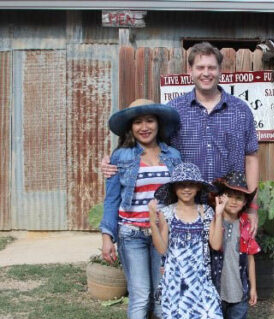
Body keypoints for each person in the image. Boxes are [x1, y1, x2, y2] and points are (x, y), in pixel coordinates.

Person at [103, 41, 260, 234]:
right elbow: (151, 147)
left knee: (232, 263)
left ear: (220, 70)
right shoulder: (175, 112)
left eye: (211, 67)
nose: (206, 73)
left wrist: (252, 209)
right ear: (190, 71)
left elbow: (251, 159)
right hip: (187, 212)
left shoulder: (241, 111)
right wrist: (112, 162)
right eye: (200, 67)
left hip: (230, 209)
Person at [99, 98, 182, 319]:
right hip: (132, 234)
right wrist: (107, 236)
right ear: (130, 127)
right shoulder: (121, 157)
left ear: (158, 124)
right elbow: (112, 198)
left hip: (163, 234)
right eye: (137, 122)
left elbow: (181, 195)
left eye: (149, 120)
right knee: (140, 292)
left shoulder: (173, 155)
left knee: (161, 290)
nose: (144, 127)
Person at [149, 162, 224, 319]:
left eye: (191, 184)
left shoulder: (206, 211)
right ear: (174, 188)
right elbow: (161, 248)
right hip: (175, 282)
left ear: (198, 187)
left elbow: (216, 243)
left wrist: (218, 215)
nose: (186, 189)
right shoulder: (167, 213)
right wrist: (152, 221)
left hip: (201, 280)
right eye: (182, 185)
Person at [210, 171, 261, 319]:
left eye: (239, 198)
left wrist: (253, 287)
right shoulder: (213, 221)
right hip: (215, 291)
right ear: (220, 198)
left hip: (239, 292)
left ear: (245, 201)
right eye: (229, 196)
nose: (233, 201)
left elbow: (250, 259)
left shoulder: (246, 225)